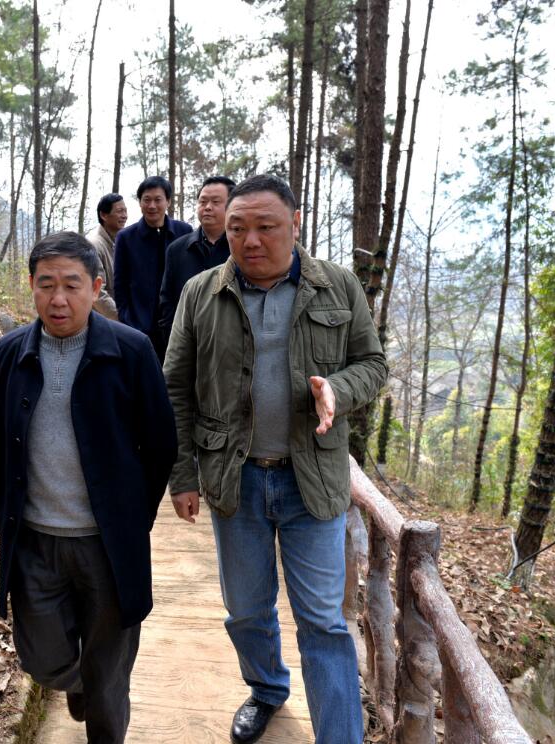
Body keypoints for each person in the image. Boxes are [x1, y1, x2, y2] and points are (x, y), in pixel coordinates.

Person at [162, 174, 386, 744]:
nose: (251, 240)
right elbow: (175, 389)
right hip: (234, 478)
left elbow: (373, 364)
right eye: (238, 228)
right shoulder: (201, 293)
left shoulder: (337, 286)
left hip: (312, 479)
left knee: (323, 622)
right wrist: (182, 475)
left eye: (266, 227)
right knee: (246, 609)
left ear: (295, 223)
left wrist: (338, 388)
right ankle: (266, 689)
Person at [0, 232, 177, 744]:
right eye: (46, 285)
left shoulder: (131, 351)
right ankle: (80, 681)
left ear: (96, 287)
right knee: (42, 659)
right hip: (34, 539)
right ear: (31, 286)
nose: (58, 298)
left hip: (107, 546)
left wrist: (133, 517)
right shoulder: (12, 352)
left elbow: (161, 444)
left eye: (71, 285)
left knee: (110, 677)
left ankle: (101, 708)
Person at [112, 175, 191, 358]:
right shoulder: (126, 237)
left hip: (178, 326)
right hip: (139, 327)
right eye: (146, 200)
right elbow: (120, 284)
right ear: (140, 202)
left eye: (158, 200)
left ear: (168, 201)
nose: (152, 206)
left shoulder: (184, 232)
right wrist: (127, 319)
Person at [156, 175, 234, 341]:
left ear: (232, 206)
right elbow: (167, 301)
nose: (207, 207)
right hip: (186, 342)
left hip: (231, 341)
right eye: (203, 202)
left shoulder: (241, 247)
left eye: (216, 202)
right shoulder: (177, 249)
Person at [84, 193, 128, 319]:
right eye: (119, 211)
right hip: (104, 320)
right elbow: (98, 292)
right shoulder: (94, 245)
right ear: (103, 215)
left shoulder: (121, 243)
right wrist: (123, 318)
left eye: (125, 211)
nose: (124, 216)